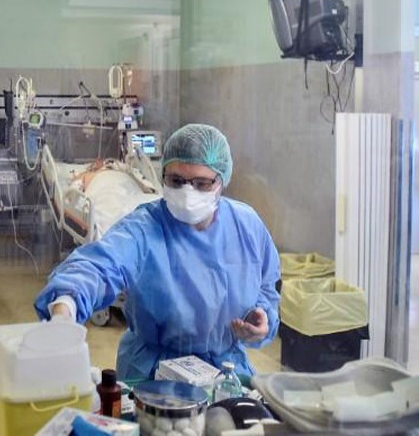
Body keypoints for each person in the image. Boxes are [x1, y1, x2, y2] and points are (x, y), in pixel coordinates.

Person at [34, 123, 280, 381]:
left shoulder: (246, 225)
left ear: (222, 181)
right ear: (163, 176)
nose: (188, 192)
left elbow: (266, 286)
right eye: (176, 181)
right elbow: (99, 265)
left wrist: (263, 318)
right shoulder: (143, 228)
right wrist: (65, 307)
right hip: (154, 376)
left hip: (227, 372)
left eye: (201, 183)